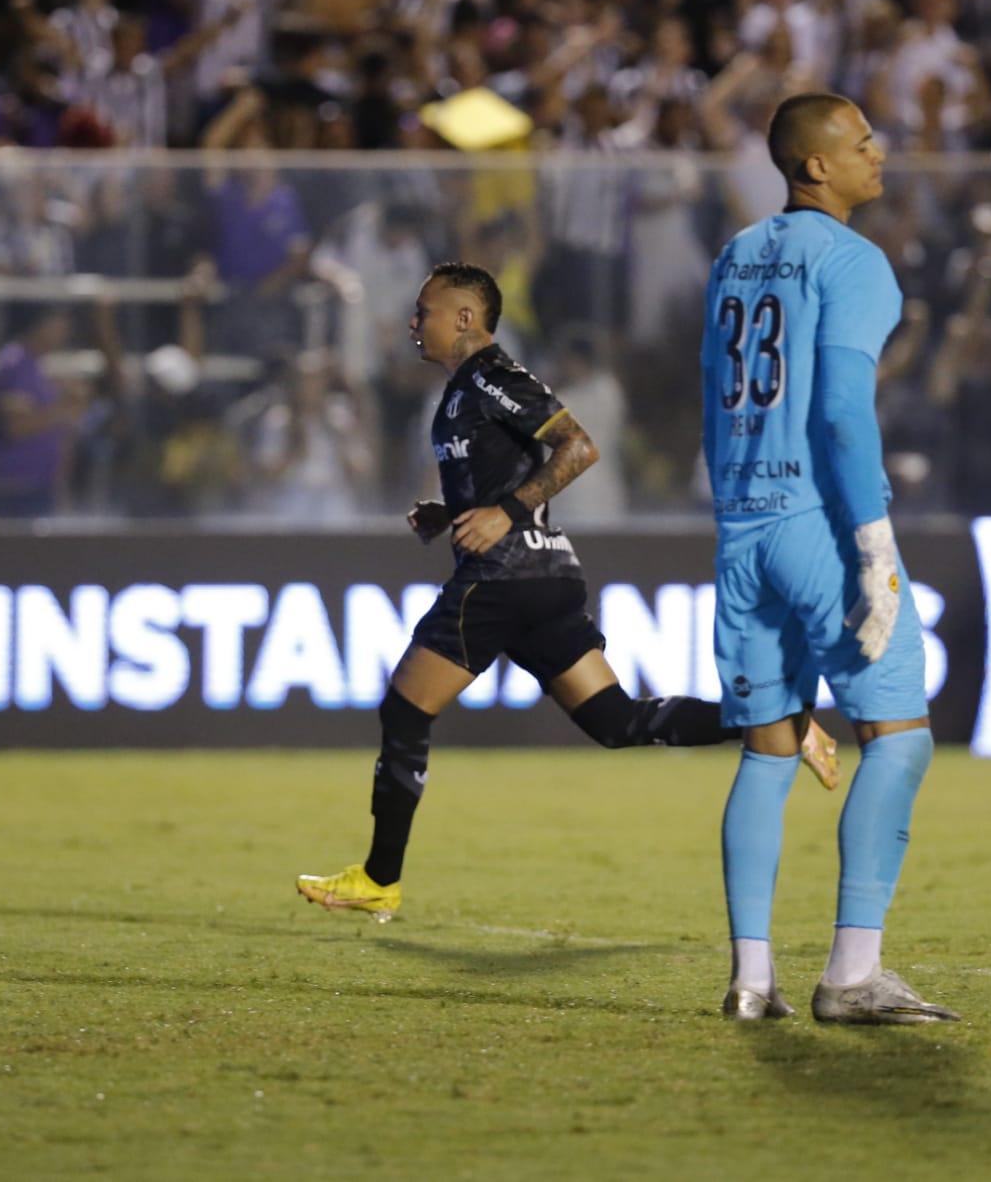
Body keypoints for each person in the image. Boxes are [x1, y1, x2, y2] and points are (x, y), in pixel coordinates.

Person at [295, 263, 836, 923]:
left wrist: (506, 515)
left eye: (426, 310)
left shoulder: (494, 378)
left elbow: (578, 448)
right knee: (617, 721)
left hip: (504, 578)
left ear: (466, 317)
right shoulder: (465, 391)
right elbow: (509, 474)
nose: (415, 322)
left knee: (405, 711)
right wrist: (452, 513)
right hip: (545, 580)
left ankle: (379, 879)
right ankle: (778, 719)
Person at [701, 93, 955, 1025]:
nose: (878, 155)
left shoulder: (733, 255)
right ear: (815, 167)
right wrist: (874, 541)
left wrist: (737, 509)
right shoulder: (854, 262)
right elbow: (844, 411)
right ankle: (852, 974)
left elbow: (712, 400)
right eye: (860, 144)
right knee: (899, 736)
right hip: (817, 523)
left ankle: (749, 982)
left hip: (740, 527)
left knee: (767, 757)